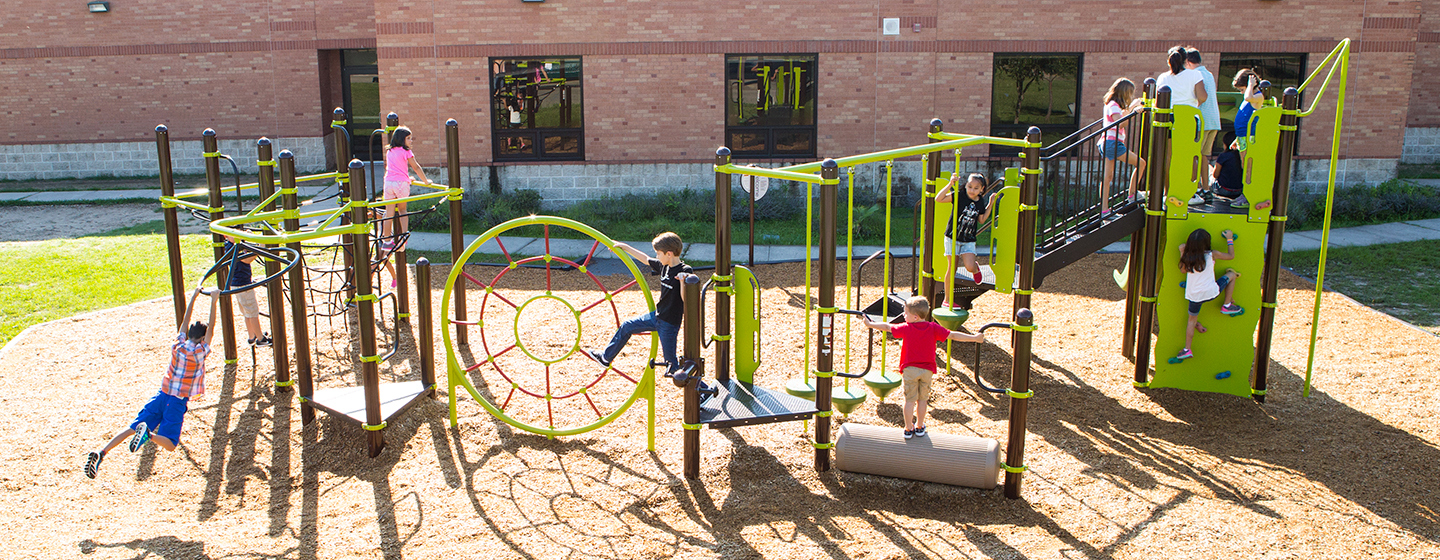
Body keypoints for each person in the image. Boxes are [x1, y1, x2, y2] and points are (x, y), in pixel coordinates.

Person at [84, 287, 219, 479]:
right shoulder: (199, 353)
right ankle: (149, 434)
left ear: (188, 334)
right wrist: (214, 300)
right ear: (202, 339)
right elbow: (212, 328)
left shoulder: (178, 345)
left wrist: (194, 296)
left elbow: (184, 322)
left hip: (161, 395)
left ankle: (102, 452)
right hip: (177, 401)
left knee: (132, 428)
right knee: (171, 444)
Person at [854, 296, 983, 438]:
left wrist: (870, 324)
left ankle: (909, 428)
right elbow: (952, 335)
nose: (903, 315)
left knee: (909, 401)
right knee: (922, 400)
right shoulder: (933, 328)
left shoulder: (906, 328)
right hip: (927, 370)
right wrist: (974, 338)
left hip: (910, 370)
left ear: (915, 317)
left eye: (906, 313)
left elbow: (887, 327)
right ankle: (920, 425)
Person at [585, 232, 693, 371]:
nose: (657, 257)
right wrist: (625, 247)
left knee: (671, 365)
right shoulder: (664, 266)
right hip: (657, 316)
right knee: (626, 326)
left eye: (658, 253)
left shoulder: (685, 270)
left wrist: (684, 281)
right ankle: (606, 358)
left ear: (669, 254)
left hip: (669, 323)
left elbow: (686, 300)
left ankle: (702, 390)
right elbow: (645, 259)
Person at [1174, 229, 1244, 362]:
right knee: (1231, 275)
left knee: (1191, 321)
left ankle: (1187, 349)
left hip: (1194, 296)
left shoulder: (1188, 257)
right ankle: (1227, 304)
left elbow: (1183, 270)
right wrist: (1229, 239)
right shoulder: (1212, 254)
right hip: (1212, 292)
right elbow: (1231, 256)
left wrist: (1182, 251)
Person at [936, 172, 998, 301]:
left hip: (968, 240)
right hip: (952, 237)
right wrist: (950, 184)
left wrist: (990, 204)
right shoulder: (960, 196)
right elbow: (939, 199)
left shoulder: (980, 202)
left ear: (982, 189)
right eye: (969, 186)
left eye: (976, 188)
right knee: (952, 268)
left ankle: (975, 269)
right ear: (966, 186)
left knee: (969, 267)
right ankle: (947, 299)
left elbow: (981, 219)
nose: (972, 190)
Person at [1096, 78, 1148, 213]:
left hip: (1107, 142)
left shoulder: (1112, 105)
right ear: (1124, 92)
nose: (1130, 96)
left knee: (1107, 177)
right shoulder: (1113, 105)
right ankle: (1132, 194)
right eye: (1130, 93)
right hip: (1112, 143)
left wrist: (1132, 108)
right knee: (1141, 163)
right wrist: (1134, 112)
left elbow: (1121, 117)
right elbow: (1120, 123)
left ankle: (1104, 210)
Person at [380, 126, 431, 259]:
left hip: (389, 183)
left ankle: (386, 241)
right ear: (402, 139)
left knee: (389, 212)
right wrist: (425, 181)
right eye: (408, 138)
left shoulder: (390, 151)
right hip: (401, 184)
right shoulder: (406, 152)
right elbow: (416, 167)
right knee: (402, 210)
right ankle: (403, 238)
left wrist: (406, 177)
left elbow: (395, 168)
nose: (411, 141)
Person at [222, 236, 271, 347]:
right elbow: (246, 260)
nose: (237, 236)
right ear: (226, 236)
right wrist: (260, 248)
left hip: (238, 283)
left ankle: (251, 336)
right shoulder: (233, 247)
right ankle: (260, 339)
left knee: (247, 313)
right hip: (242, 284)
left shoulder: (234, 244)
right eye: (233, 234)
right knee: (253, 312)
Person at [1187, 48, 1221, 206]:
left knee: (1194, 155)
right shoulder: (1209, 73)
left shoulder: (1195, 75)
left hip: (1201, 121)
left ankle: (1194, 188)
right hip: (1214, 120)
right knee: (1204, 155)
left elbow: (1199, 98)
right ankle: (1206, 188)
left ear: (1188, 62)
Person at [1230, 68, 1266, 209]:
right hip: (1242, 137)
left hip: (1248, 137)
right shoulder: (1249, 95)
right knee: (1244, 166)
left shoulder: (1257, 96)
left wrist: (1251, 85)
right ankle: (1245, 193)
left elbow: (1248, 98)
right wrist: (1236, 139)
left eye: (1242, 88)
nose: (1242, 92)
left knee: (1248, 168)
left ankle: (1248, 195)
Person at [1156, 45, 1207, 113]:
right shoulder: (1195, 74)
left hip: (1169, 119)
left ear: (1169, 61)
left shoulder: (1162, 77)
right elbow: (1202, 97)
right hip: (1190, 117)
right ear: (1186, 60)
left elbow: (1158, 102)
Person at [1209, 132, 1244, 201]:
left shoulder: (1223, 156)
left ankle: (1204, 191)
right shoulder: (1242, 156)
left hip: (1223, 190)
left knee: (1209, 168)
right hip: (1240, 190)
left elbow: (1215, 175)